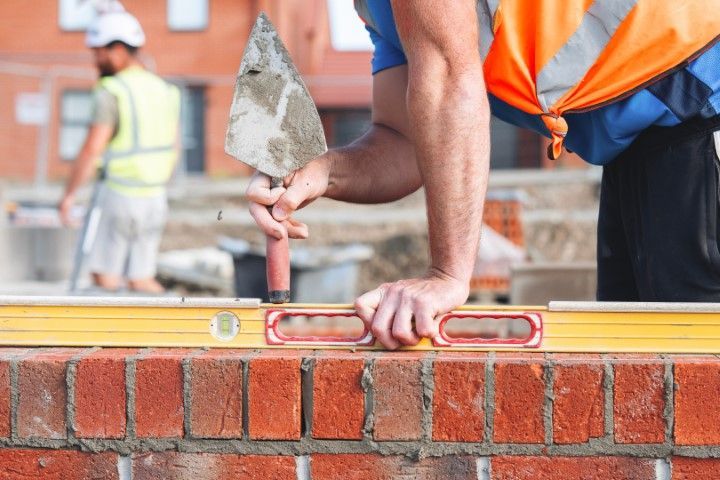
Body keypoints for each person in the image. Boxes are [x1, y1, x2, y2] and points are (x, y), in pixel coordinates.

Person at [247, 1, 720, 348]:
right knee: (645, 368)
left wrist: (447, 275)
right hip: (647, 144)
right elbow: (404, 141)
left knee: (696, 367)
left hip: (703, 94)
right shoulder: (377, 6)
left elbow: (452, 82)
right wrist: (324, 171)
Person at [59, 4, 181, 293]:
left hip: (119, 196)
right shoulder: (165, 90)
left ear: (117, 50)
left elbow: (91, 150)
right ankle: (164, 329)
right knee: (140, 278)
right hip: (155, 197)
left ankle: (109, 337)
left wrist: (69, 196)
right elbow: (174, 146)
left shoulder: (112, 91)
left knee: (105, 277)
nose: (95, 60)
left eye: (98, 52)